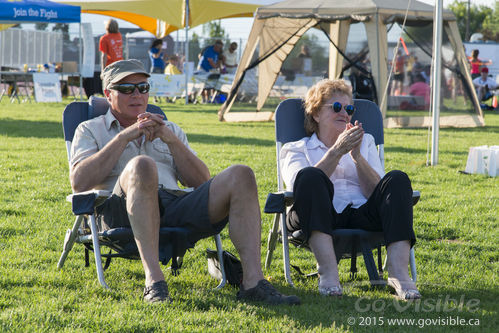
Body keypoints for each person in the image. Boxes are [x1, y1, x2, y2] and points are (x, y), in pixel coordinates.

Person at [70, 59, 300, 306]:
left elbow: (202, 182)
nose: (137, 94)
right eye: (126, 89)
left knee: (241, 174)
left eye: (143, 87)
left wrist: (171, 140)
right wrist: (125, 137)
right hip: (119, 210)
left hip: (173, 205)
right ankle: (154, 281)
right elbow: (79, 182)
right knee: (142, 165)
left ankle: (253, 283)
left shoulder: (170, 130)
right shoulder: (90, 129)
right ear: (108, 94)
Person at [280, 79, 420, 300]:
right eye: (336, 107)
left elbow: (379, 192)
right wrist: (336, 151)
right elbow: (300, 189)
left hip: (362, 213)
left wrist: (357, 157)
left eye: (349, 109)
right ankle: (328, 273)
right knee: (310, 176)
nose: (345, 113)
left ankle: (399, 274)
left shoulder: (365, 142)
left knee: (397, 179)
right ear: (316, 114)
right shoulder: (296, 149)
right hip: (318, 216)